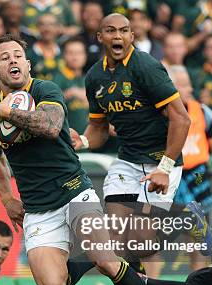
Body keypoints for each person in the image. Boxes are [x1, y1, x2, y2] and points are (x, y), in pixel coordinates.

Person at [0, 33, 174, 285]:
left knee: (106, 261)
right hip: (37, 208)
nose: (12, 60)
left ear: (28, 65)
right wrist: (6, 197)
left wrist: (8, 112)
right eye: (4, 57)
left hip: (74, 191)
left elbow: (51, 126)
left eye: (17, 55)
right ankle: (88, 255)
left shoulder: (46, 90)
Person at [73, 13, 190, 206]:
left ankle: (185, 221)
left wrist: (165, 168)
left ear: (132, 37)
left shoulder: (146, 66)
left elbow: (182, 119)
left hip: (161, 160)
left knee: (141, 234)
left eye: (124, 30)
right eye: (111, 31)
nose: (118, 36)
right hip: (127, 160)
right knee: (116, 229)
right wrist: (83, 140)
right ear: (100, 37)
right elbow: (99, 127)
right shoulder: (94, 76)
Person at [169, 65, 212, 271]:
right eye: (182, 85)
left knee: (200, 238)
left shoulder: (203, 112)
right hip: (169, 177)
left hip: (197, 178)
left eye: (188, 84)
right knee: (156, 238)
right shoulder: (158, 113)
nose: (188, 89)